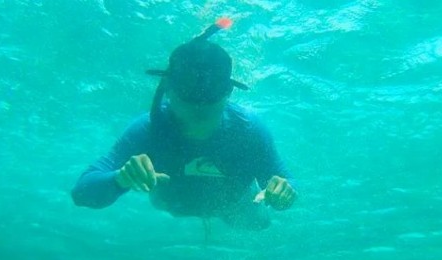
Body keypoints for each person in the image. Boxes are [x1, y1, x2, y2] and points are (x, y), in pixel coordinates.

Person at [72, 19, 297, 230]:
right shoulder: (146, 130)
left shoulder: (249, 130)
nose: (199, 103)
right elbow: (81, 192)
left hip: (231, 206)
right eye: (187, 89)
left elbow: (286, 183)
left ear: (227, 91)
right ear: (167, 87)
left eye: (211, 90)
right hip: (176, 205)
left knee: (259, 225)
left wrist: (283, 193)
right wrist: (120, 178)